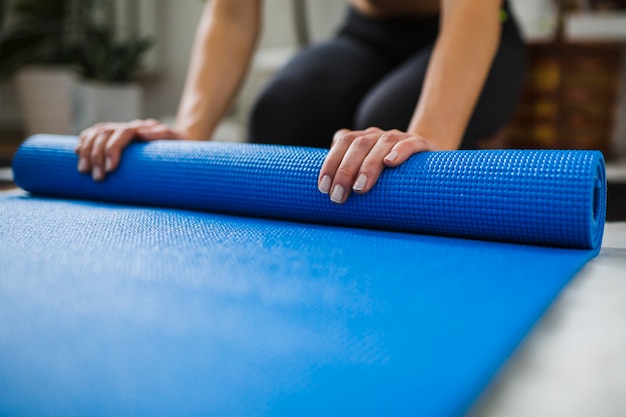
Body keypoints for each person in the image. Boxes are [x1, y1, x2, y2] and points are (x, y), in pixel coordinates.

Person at [75, 0, 526, 204]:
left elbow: (472, 12)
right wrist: (188, 135)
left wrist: (424, 138)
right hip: (366, 33)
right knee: (281, 116)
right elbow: (232, 13)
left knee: (388, 140)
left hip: (476, 26)